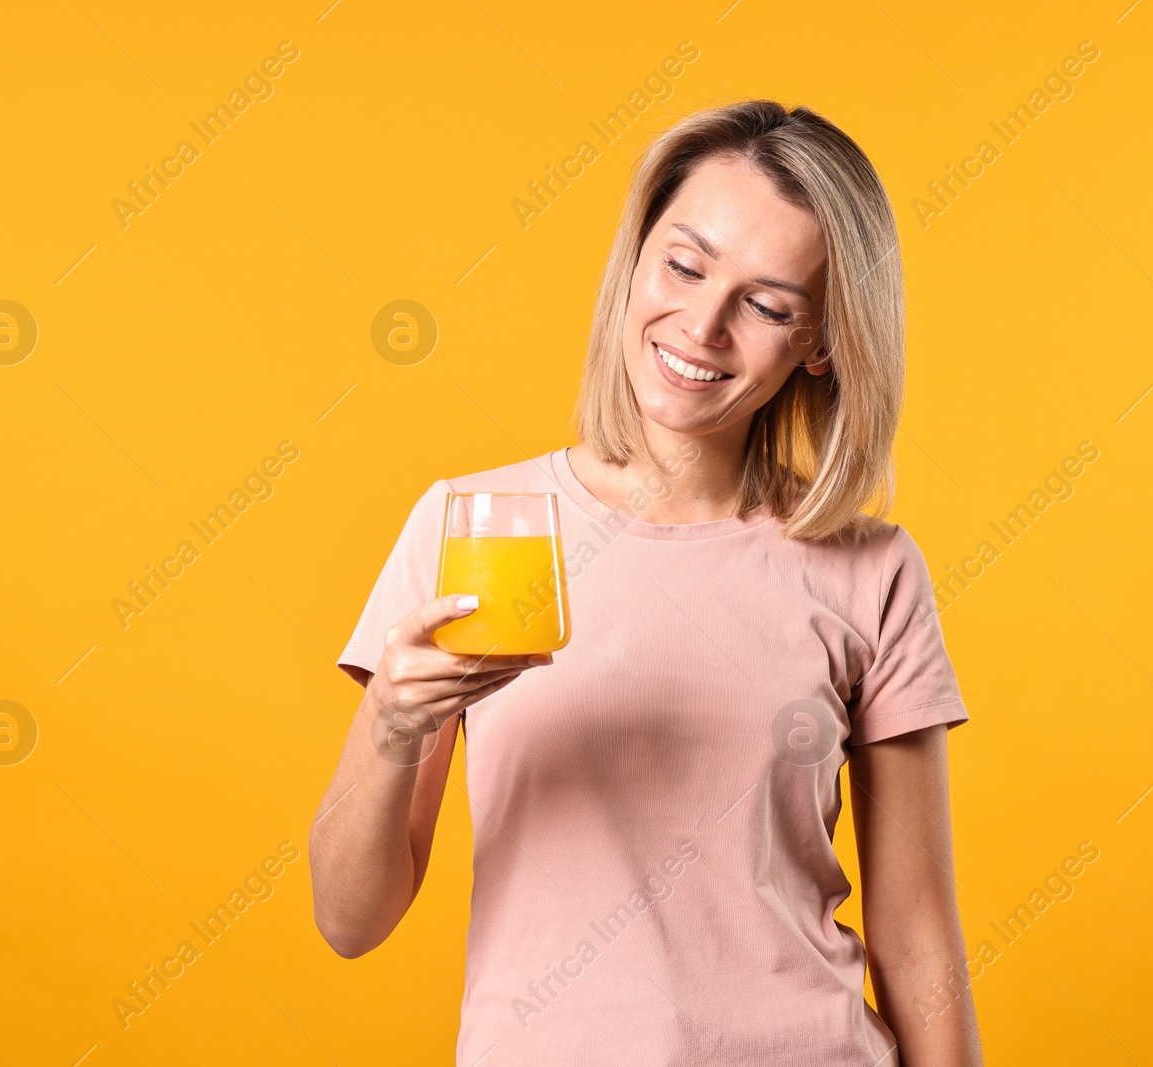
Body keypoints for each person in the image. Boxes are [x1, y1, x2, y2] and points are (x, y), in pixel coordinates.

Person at [310, 99, 984, 1066]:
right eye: (684, 263)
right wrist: (391, 726)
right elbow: (349, 918)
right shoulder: (474, 528)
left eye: (767, 304)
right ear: (635, 258)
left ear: (822, 343)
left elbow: (917, 934)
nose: (702, 325)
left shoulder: (871, 567)